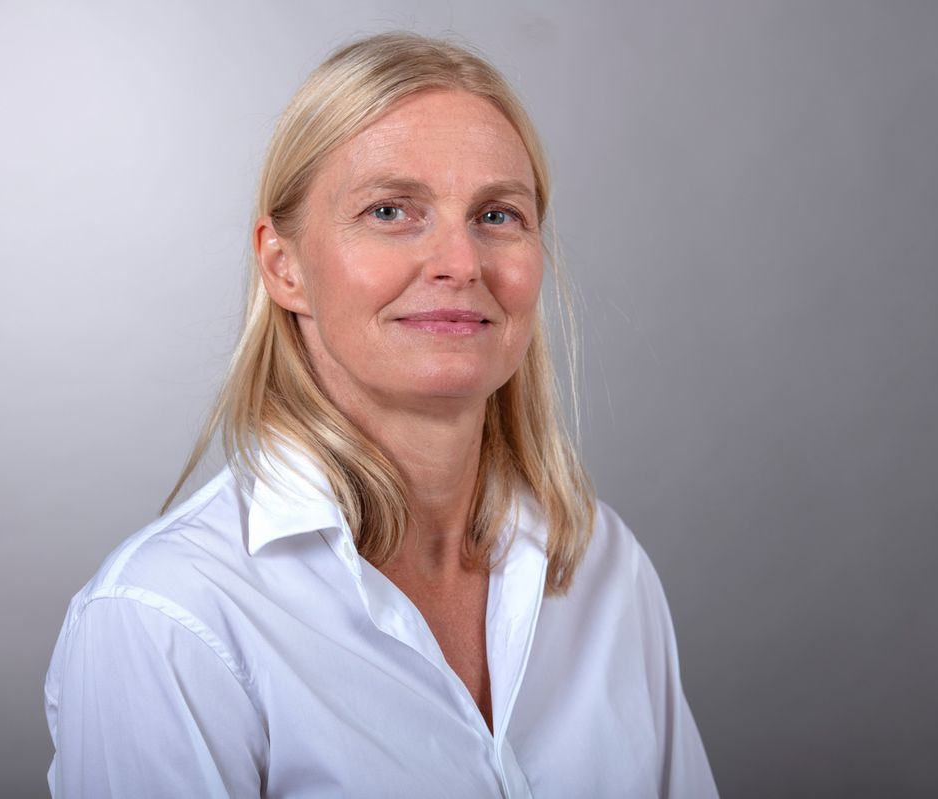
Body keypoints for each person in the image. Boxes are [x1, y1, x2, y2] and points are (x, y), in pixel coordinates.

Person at [44, 31, 719, 798]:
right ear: (284, 265)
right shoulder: (168, 620)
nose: (461, 262)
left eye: (498, 215)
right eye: (392, 209)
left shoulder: (603, 567)